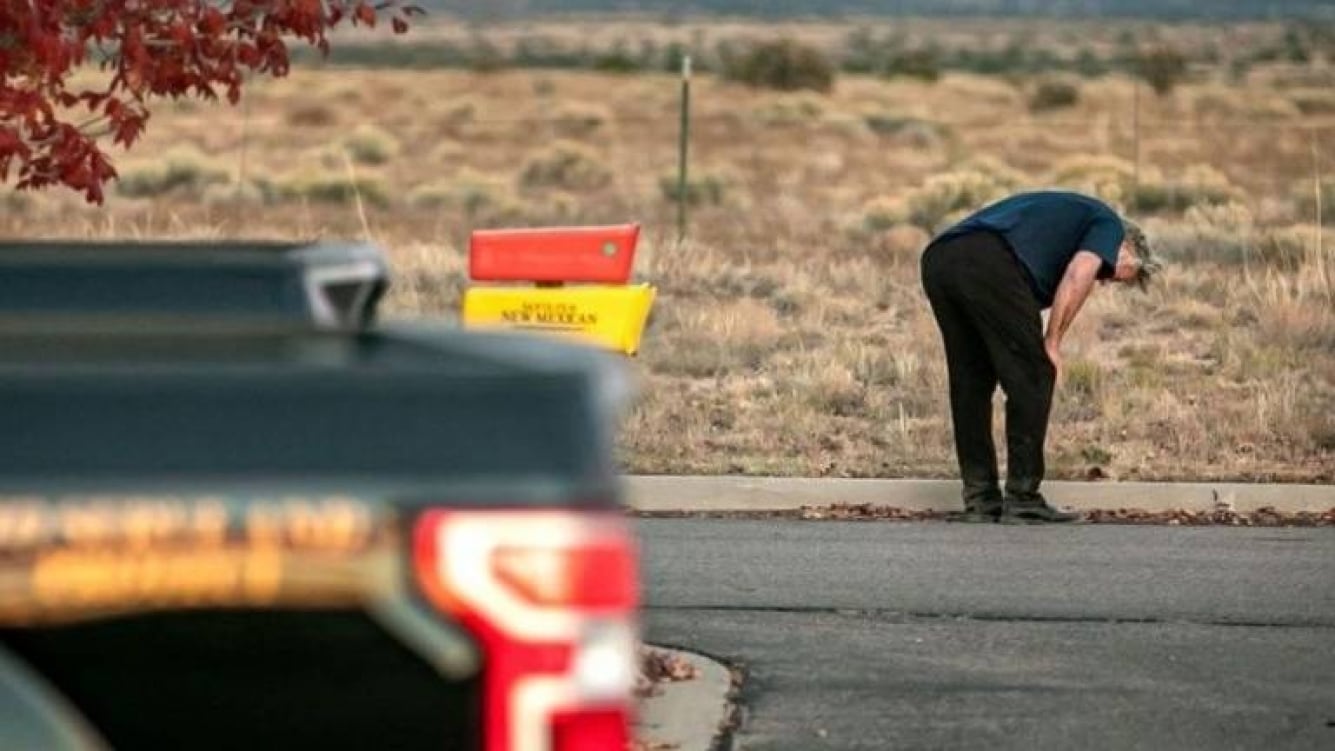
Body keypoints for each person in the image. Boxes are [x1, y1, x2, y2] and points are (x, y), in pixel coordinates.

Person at [920, 190, 1161, 524]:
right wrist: (1052, 342)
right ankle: (1022, 499)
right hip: (986, 259)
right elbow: (1080, 273)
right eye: (1113, 274)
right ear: (1127, 247)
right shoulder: (1108, 224)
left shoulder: (1060, 231)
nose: (1105, 281)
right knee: (1035, 374)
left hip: (940, 258)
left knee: (971, 383)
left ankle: (981, 500)